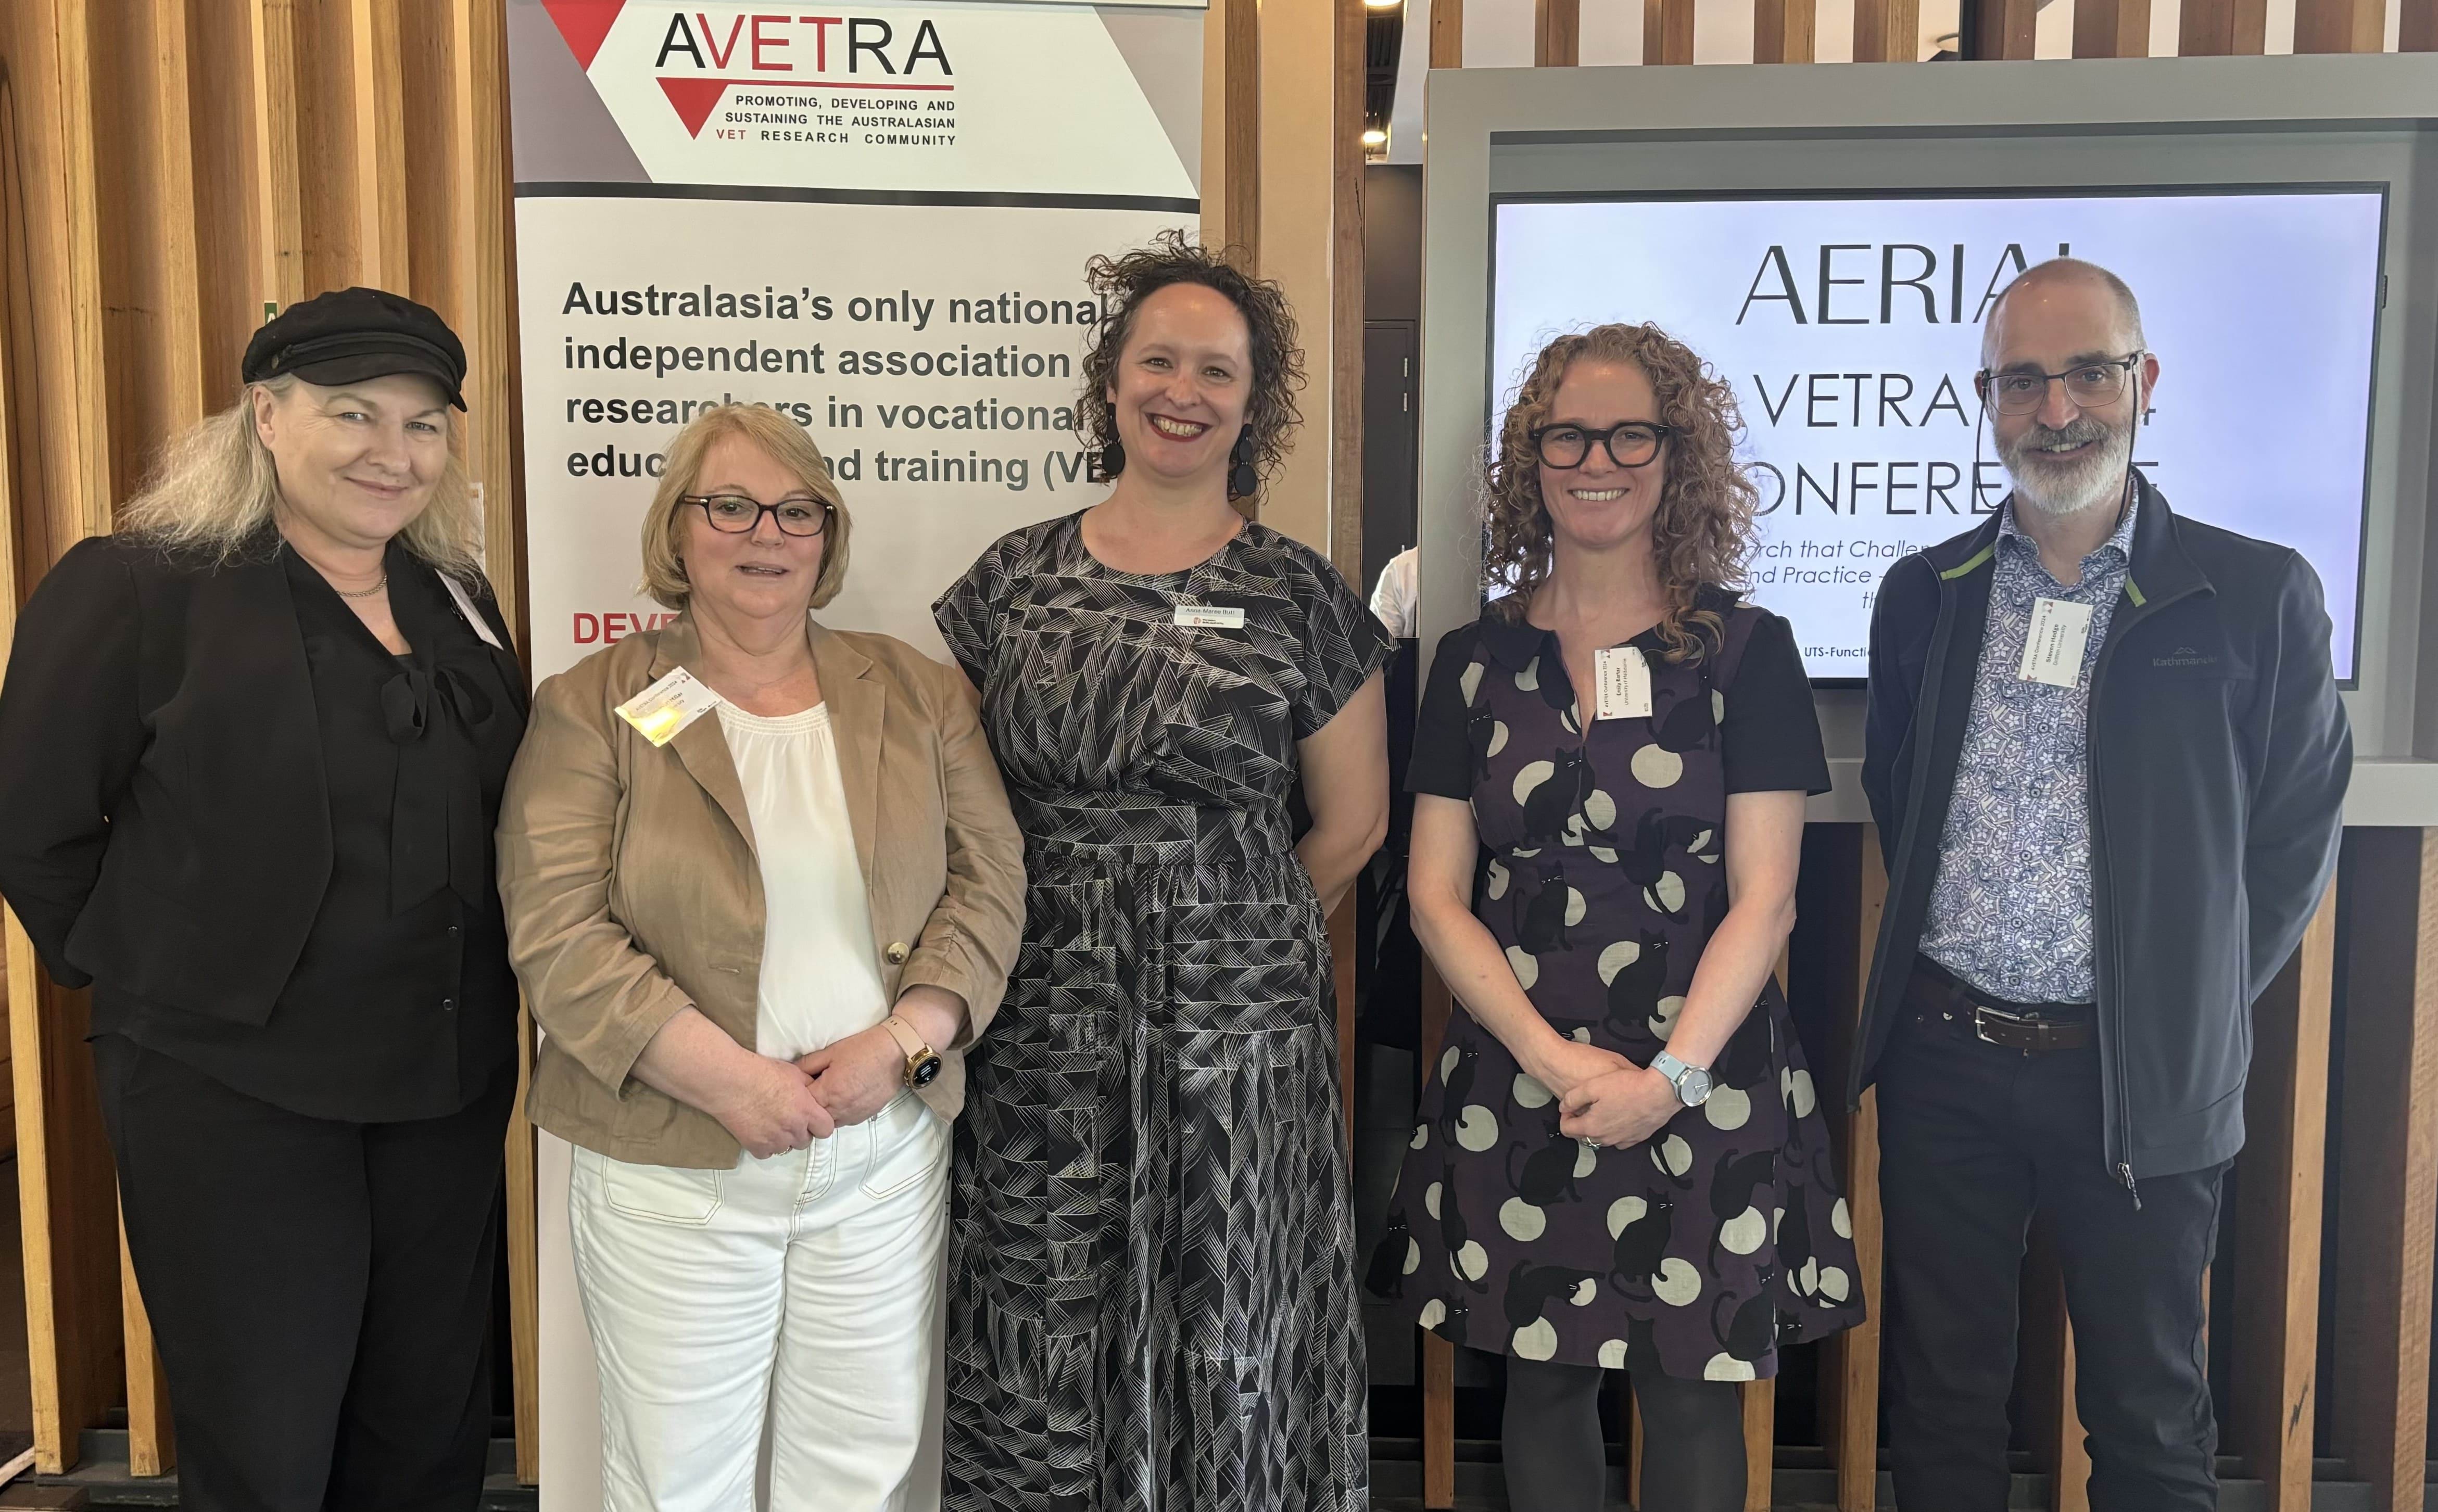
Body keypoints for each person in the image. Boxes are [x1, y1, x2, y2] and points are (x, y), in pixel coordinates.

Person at [0, 288, 524, 1510]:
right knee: (268, 1441)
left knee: (425, 1427)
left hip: (440, 1078)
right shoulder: (142, 584)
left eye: (423, 424)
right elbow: (35, 820)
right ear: (267, 416)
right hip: (229, 1088)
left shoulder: (453, 592)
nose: (391, 454)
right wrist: (164, 971)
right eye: (353, 413)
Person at [1859, 258, 2351, 1510]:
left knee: (2144, 1413)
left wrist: (2175, 1007)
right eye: (2020, 381)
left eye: (2086, 370)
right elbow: (1897, 787)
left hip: (2136, 1082)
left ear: (2143, 380)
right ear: (1986, 401)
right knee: (1941, 1401)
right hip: (1945, 1055)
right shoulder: (1923, 594)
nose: (2056, 408)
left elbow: (2291, 835)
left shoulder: (2253, 595)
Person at [933, 232, 1390, 1512]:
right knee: (1043, 1284)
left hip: (1236, 1020)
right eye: (1158, 361)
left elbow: (1351, 823)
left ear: (1255, 402)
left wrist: (1228, 940)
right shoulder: (1013, 580)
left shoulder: (1298, 592)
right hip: (1044, 1005)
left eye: (1216, 371)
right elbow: (964, 808)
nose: (1181, 391)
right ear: (1112, 379)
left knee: (1232, 1293)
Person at [1372, 322, 1863, 1512]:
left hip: (1703, 1074)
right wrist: (1547, 1059)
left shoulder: (1746, 652)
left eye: (1629, 431)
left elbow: (1768, 896)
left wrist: (1667, 1078)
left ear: (1675, 452)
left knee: (1692, 1390)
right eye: (1566, 434)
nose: (1596, 458)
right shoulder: (1472, 661)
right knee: (1538, 1384)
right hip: (1520, 1076)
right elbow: (1435, 891)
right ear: (1529, 459)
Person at [497, 403, 1024, 1511]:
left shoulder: (919, 695)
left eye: (796, 510)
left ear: (826, 537)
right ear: (677, 530)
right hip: (674, 1166)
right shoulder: (595, 704)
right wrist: (730, 1081)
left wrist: (902, 1042)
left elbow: (991, 882)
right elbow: (557, 927)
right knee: (676, 1484)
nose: (764, 533)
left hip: (877, 1156)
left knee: (859, 1472)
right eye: (729, 504)